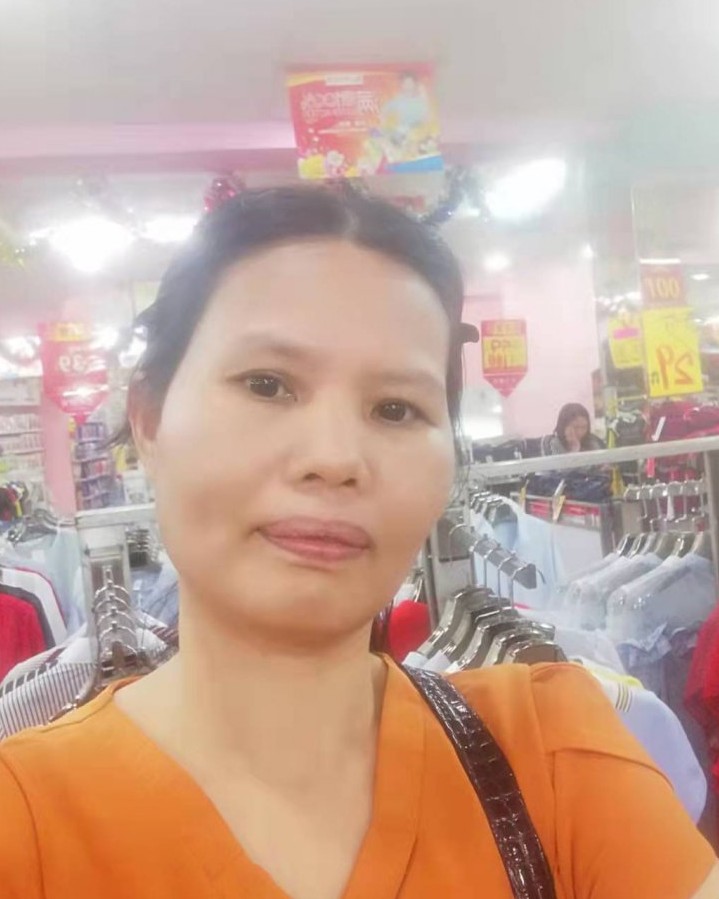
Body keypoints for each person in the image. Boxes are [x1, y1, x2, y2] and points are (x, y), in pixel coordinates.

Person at [0, 187, 715, 899]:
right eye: (267, 384)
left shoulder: (552, 753)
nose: (336, 457)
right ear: (149, 420)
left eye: (396, 408)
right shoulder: (25, 820)